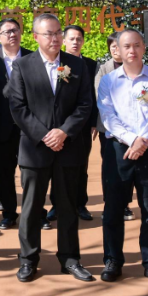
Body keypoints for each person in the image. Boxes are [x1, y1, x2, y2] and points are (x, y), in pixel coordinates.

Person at [7, 14, 94, 283]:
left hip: (68, 147)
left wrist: (64, 131)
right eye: (49, 34)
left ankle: (70, 259)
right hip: (35, 148)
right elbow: (17, 107)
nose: (55, 38)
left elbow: (85, 104)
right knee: (32, 208)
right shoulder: (23, 66)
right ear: (35, 37)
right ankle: (28, 260)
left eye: (58, 33)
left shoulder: (76, 65)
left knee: (68, 206)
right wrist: (45, 135)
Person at [96, 28, 148, 285]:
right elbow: (108, 116)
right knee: (113, 209)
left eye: (137, 45)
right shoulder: (109, 81)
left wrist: (143, 140)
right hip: (119, 150)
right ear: (117, 49)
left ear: (144, 47)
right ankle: (113, 261)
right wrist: (132, 140)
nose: (132, 50)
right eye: (126, 46)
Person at [0, 18, 32, 229]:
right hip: (0, 127)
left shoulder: (32, 57)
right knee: (4, 173)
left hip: (29, 127)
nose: (12, 34)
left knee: (31, 173)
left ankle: (35, 212)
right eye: (7, 32)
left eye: (15, 30)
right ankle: (9, 213)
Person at [52, 24, 97, 223]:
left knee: (81, 166)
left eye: (79, 38)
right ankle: (56, 205)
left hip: (83, 124)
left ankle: (80, 204)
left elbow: (93, 96)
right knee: (56, 167)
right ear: (64, 40)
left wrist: (94, 121)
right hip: (59, 125)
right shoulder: (57, 63)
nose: (75, 42)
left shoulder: (90, 64)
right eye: (71, 39)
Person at [94, 33, 133, 222]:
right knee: (110, 166)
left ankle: (125, 204)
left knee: (130, 165)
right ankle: (109, 203)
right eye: (113, 46)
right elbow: (100, 96)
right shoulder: (103, 69)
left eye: (120, 45)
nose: (117, 50)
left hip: (133, 129)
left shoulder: (136, 67)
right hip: (108, 127)